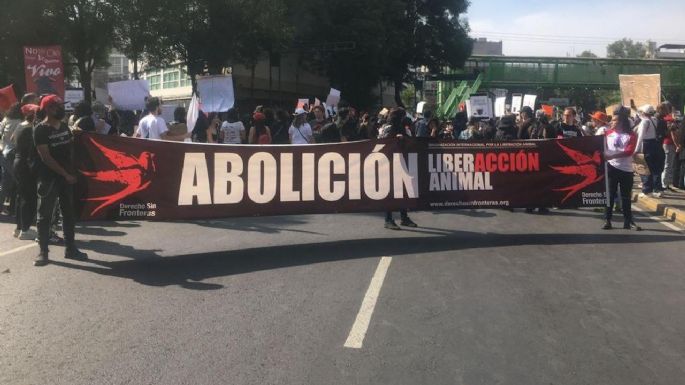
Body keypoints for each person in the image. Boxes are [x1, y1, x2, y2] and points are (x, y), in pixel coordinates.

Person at [33, 95, 88, 266]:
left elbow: (70, 147)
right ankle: (43, 252)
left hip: (67, 178)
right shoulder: (40, 129)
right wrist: (65, 174)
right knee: (44, 216)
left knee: (68, 214)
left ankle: (70, 248)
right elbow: (46, 157)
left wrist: (76, 136)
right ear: (48, 108)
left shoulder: (64, 126)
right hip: (49, 179)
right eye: (58, 107)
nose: (62, 109)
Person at [378, 107, 417, 230]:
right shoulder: (387, 128)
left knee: (402, 191)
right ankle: (388, 219)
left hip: (401, 162)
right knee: (390, 192)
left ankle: (404, 217)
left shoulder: (402, 127)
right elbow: (383, 143)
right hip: (388, 163)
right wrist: (395, 139)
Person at [603, 106, 640, 231]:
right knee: (610, 195)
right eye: (612, 120)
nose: (611, 122)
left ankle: (627, 221)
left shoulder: (631, 135)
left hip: (626, 169)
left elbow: (629, 151)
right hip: (611, 168)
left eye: (614, 120)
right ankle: (607, 220)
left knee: (625, 197)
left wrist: (612, 155)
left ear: (622, 122)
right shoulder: (607, 134)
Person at [12, 104, 39, 239]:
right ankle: (26, 229)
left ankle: (19, 228)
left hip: (17, 162)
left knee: (21, 196)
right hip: (25, 165)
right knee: (29, 198)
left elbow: (12, 140)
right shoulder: (30, 129)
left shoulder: (21, 125)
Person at [635, 104, 665, 197]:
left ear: (643, 112)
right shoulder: (654, 120)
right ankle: (657, 189)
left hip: (646, 145)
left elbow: (640, 137)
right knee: (656, 168)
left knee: (646, 168)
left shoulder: (645, 121)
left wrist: (636, 150)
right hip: (655, 144)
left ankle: (647, 190)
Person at [0, 103, 23, 215]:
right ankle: (16, 209)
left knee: (5, 182)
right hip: (14, 153)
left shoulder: (5, 120)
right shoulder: (21, 123)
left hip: (3, 153)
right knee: (19, 181)